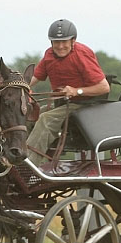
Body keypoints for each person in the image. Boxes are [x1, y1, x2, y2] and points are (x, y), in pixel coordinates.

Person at [26, 18, 110, 165]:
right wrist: (21, 86)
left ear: (73, 41)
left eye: (64, 41)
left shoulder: (82, 54)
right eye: (56, 42)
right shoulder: (49, 55)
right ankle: (15, 157)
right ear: (51, 43)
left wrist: (76, 91)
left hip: (86, 104)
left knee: (46, 119)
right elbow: (34, 77)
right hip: (63, 104)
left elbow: (104, 87)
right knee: (28, 115)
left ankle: (28, 166)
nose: (60, 46)